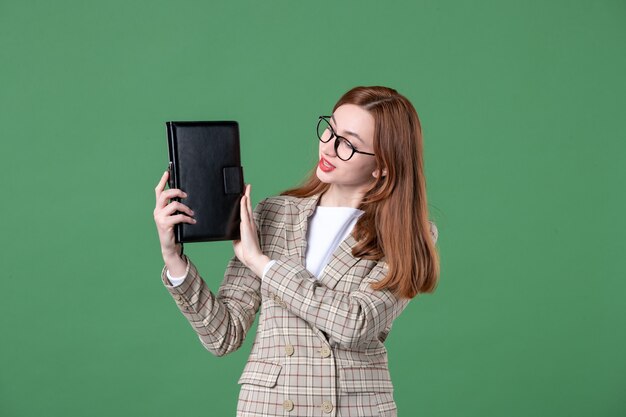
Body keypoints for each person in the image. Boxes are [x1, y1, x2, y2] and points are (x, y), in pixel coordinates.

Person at [153, 86, 440, 417]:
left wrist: (264, 265)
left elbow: (355, 323)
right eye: (330, 129)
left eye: (348, 143)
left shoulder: (408, 236)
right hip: (271, 406)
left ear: (384, 166)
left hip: (353, 408)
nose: (329, 147)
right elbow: (224, 335)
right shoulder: (275, 214)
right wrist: (173, 256)